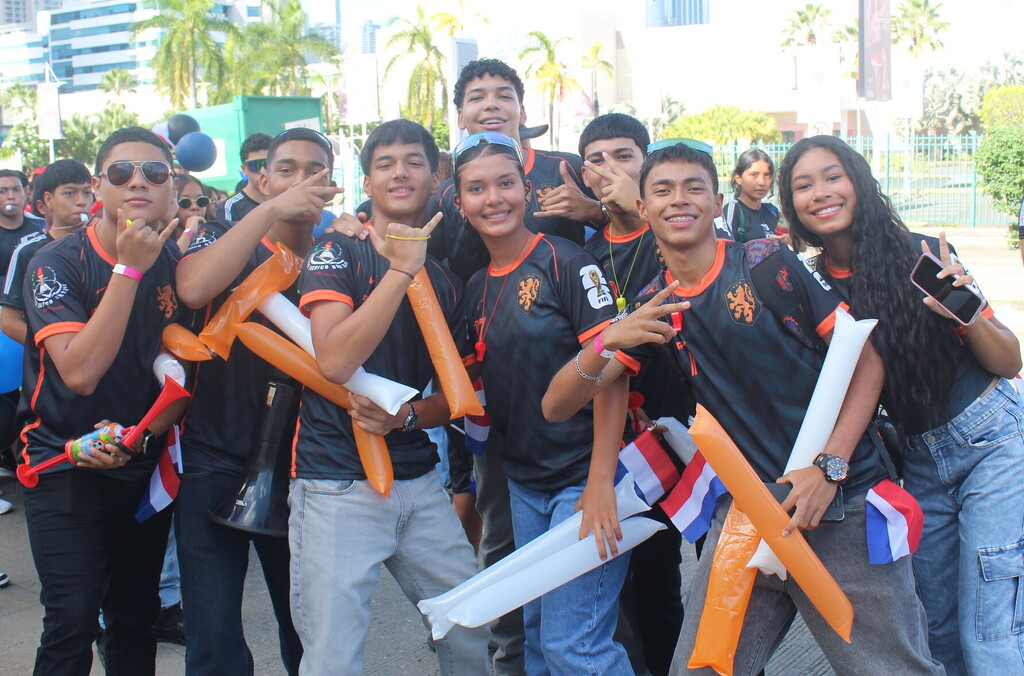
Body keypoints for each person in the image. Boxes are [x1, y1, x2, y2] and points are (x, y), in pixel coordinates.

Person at [542, 140, 944, 676]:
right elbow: (557, 404)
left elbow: (866, 360)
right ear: (643, 208)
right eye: (662, 190)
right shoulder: (653, 307)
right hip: (748, 515)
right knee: (702, 668)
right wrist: (608, 340)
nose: (678, 200)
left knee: (892, 669)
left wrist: (830, 467)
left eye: (693, 188)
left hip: (838, 503)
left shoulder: (765, 262)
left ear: (714, 203)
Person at [778, 134, 1023, 676]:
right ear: (790, 202)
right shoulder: (806, 282)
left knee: (989, 625)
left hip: (989, 441)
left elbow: (1009, 360)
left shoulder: (920, 253)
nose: (821, 192)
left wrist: (967, 310)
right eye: (803, 184)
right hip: (915, 461)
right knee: (932, 626)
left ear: (859, 182)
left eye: (833, 176)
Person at [289, 119, 489, 675]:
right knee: (334, 657)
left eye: (414, 161)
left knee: (472, 626)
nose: (400, 171)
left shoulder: (447, 280)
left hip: (419, 481)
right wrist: (400, 272)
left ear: (436, 179)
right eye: (385, 163)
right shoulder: (338, 251)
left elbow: (460, 393)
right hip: (336, 485)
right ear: (368, 182)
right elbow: (334, 360)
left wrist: (407, 417)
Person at [455, 132, 633, 675]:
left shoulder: (566, 261)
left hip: (585, 482)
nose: (494, 199)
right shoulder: (475, 288)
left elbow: (614, 366)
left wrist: (601, 482)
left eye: (506, 184)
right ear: (460, 204)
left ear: (527, 191)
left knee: (574, 647)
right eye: (477, 189)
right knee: (536, 641)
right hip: (526, 486)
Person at [174, 128, 341, 676]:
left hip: (302, 467)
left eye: (314, 170)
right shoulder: (220, 238)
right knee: (213, 632)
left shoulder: (342, 256)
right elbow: (194, 289)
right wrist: (267, 213)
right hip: (211, 457)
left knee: (308, 628)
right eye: (285, 170)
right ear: (260, 179)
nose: (300, 181)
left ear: (332, 184)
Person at [18, 126, 183, 675]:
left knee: (135, 617)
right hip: (60, 461)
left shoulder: (170, 262)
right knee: (73, 618)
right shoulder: (55, 261)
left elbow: (184, 377)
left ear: (171, 188)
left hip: (135, 463)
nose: (138, 182)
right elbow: (81, 372)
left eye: (153, 173)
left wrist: (146, 434)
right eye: (122, 172)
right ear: (98, 186)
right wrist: (128, 269)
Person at [579, 115, 686, 676]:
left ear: (646, 161)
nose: (610, 169)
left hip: (685, 433)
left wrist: (642, 211)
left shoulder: (669, 229)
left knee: (703, 575)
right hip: (616, 441)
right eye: (596, 160)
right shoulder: (582, 251)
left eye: (624, 156)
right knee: (637, 583)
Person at [430, 58, 602, 281]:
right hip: (481, 311)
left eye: (504, 96)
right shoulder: (446, 193)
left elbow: (638, 219)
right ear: (460, 117)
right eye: (477, 97)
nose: (490, 104)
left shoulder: (566, 169)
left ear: (521, 113)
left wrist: (596, 211)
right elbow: (419, 249)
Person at [713, 149, 785, 244]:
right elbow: (729, 249)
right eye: (754, 175)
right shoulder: (734, 210)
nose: (762, 182)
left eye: (767, 175)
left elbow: (799, 246)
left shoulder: (772, 211)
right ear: (738, 178)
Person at [0, 169, 45, 293]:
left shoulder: (42, 226)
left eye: (16, 190)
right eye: (2, 191)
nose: (11, 196)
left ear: (25, 192)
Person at [217, 132, 273, 222]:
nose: (263, 171)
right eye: (255, 165)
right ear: (244, 170)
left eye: (268, 164)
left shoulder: (283, 199)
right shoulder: (231, 206)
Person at [174, 174, 206, 252]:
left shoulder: (215, 235)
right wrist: (189, 232)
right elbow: (173, 261)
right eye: (185, 202)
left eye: (201, 200)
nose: (195, 207)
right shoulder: (159, 241)